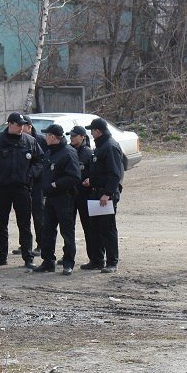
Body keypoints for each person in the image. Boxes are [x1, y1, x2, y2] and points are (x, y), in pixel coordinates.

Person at [0, 112, 43, 269]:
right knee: (1, 223)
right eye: (18, 124)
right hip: (2, 188)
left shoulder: (30, 141)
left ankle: (28, 257)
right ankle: (1, 256)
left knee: (24, 223)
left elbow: (39, 161)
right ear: (10, 124)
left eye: (23, 125)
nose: (21, 127)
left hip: (22, 188)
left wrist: (30, 175)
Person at [33, 124, 80, 275]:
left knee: (66, 231)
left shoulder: (68, 153)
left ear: (53, 137)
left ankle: (68, 263)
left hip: (64, 198)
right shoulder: (50, 152)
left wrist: (56, 184)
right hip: (50, 198)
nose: (45, 138)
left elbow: (74, 177)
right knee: (47, 230)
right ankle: (48, 262)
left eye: (47, 135)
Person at [85, 117, 124, 273]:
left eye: (92, 131)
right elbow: (100, 170)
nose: (91, 134)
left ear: (98, 131)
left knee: (107, 229)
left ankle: (112, 262)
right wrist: (91, 180)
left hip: (105, 195)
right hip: (96, 192)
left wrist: (108, 193)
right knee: (95, 228)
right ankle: (97, 260)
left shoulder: (110, 147)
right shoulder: (101, 146)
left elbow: (115, 174)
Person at [68, 125, 100, 269]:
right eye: (71, 136)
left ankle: (94, 257)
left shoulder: (87, 153)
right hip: (70, 195)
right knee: (68, 227)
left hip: (84, 195)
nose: (72, 138)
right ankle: (68, 256)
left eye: (75, 136)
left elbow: (93, 173)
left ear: (82, 137)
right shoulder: (68, 151)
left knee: (89, 228)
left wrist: (89, 181)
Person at [23, 115, 47, 256]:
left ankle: (41, 244)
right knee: (24, 215)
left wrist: (33, 174)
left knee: (39, 214)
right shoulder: (19, 140)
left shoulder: (40, 140)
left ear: (29, 127)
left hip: (38, 183)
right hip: (24, 184)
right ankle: (25, 244)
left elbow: (43, 161)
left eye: (23, 125)